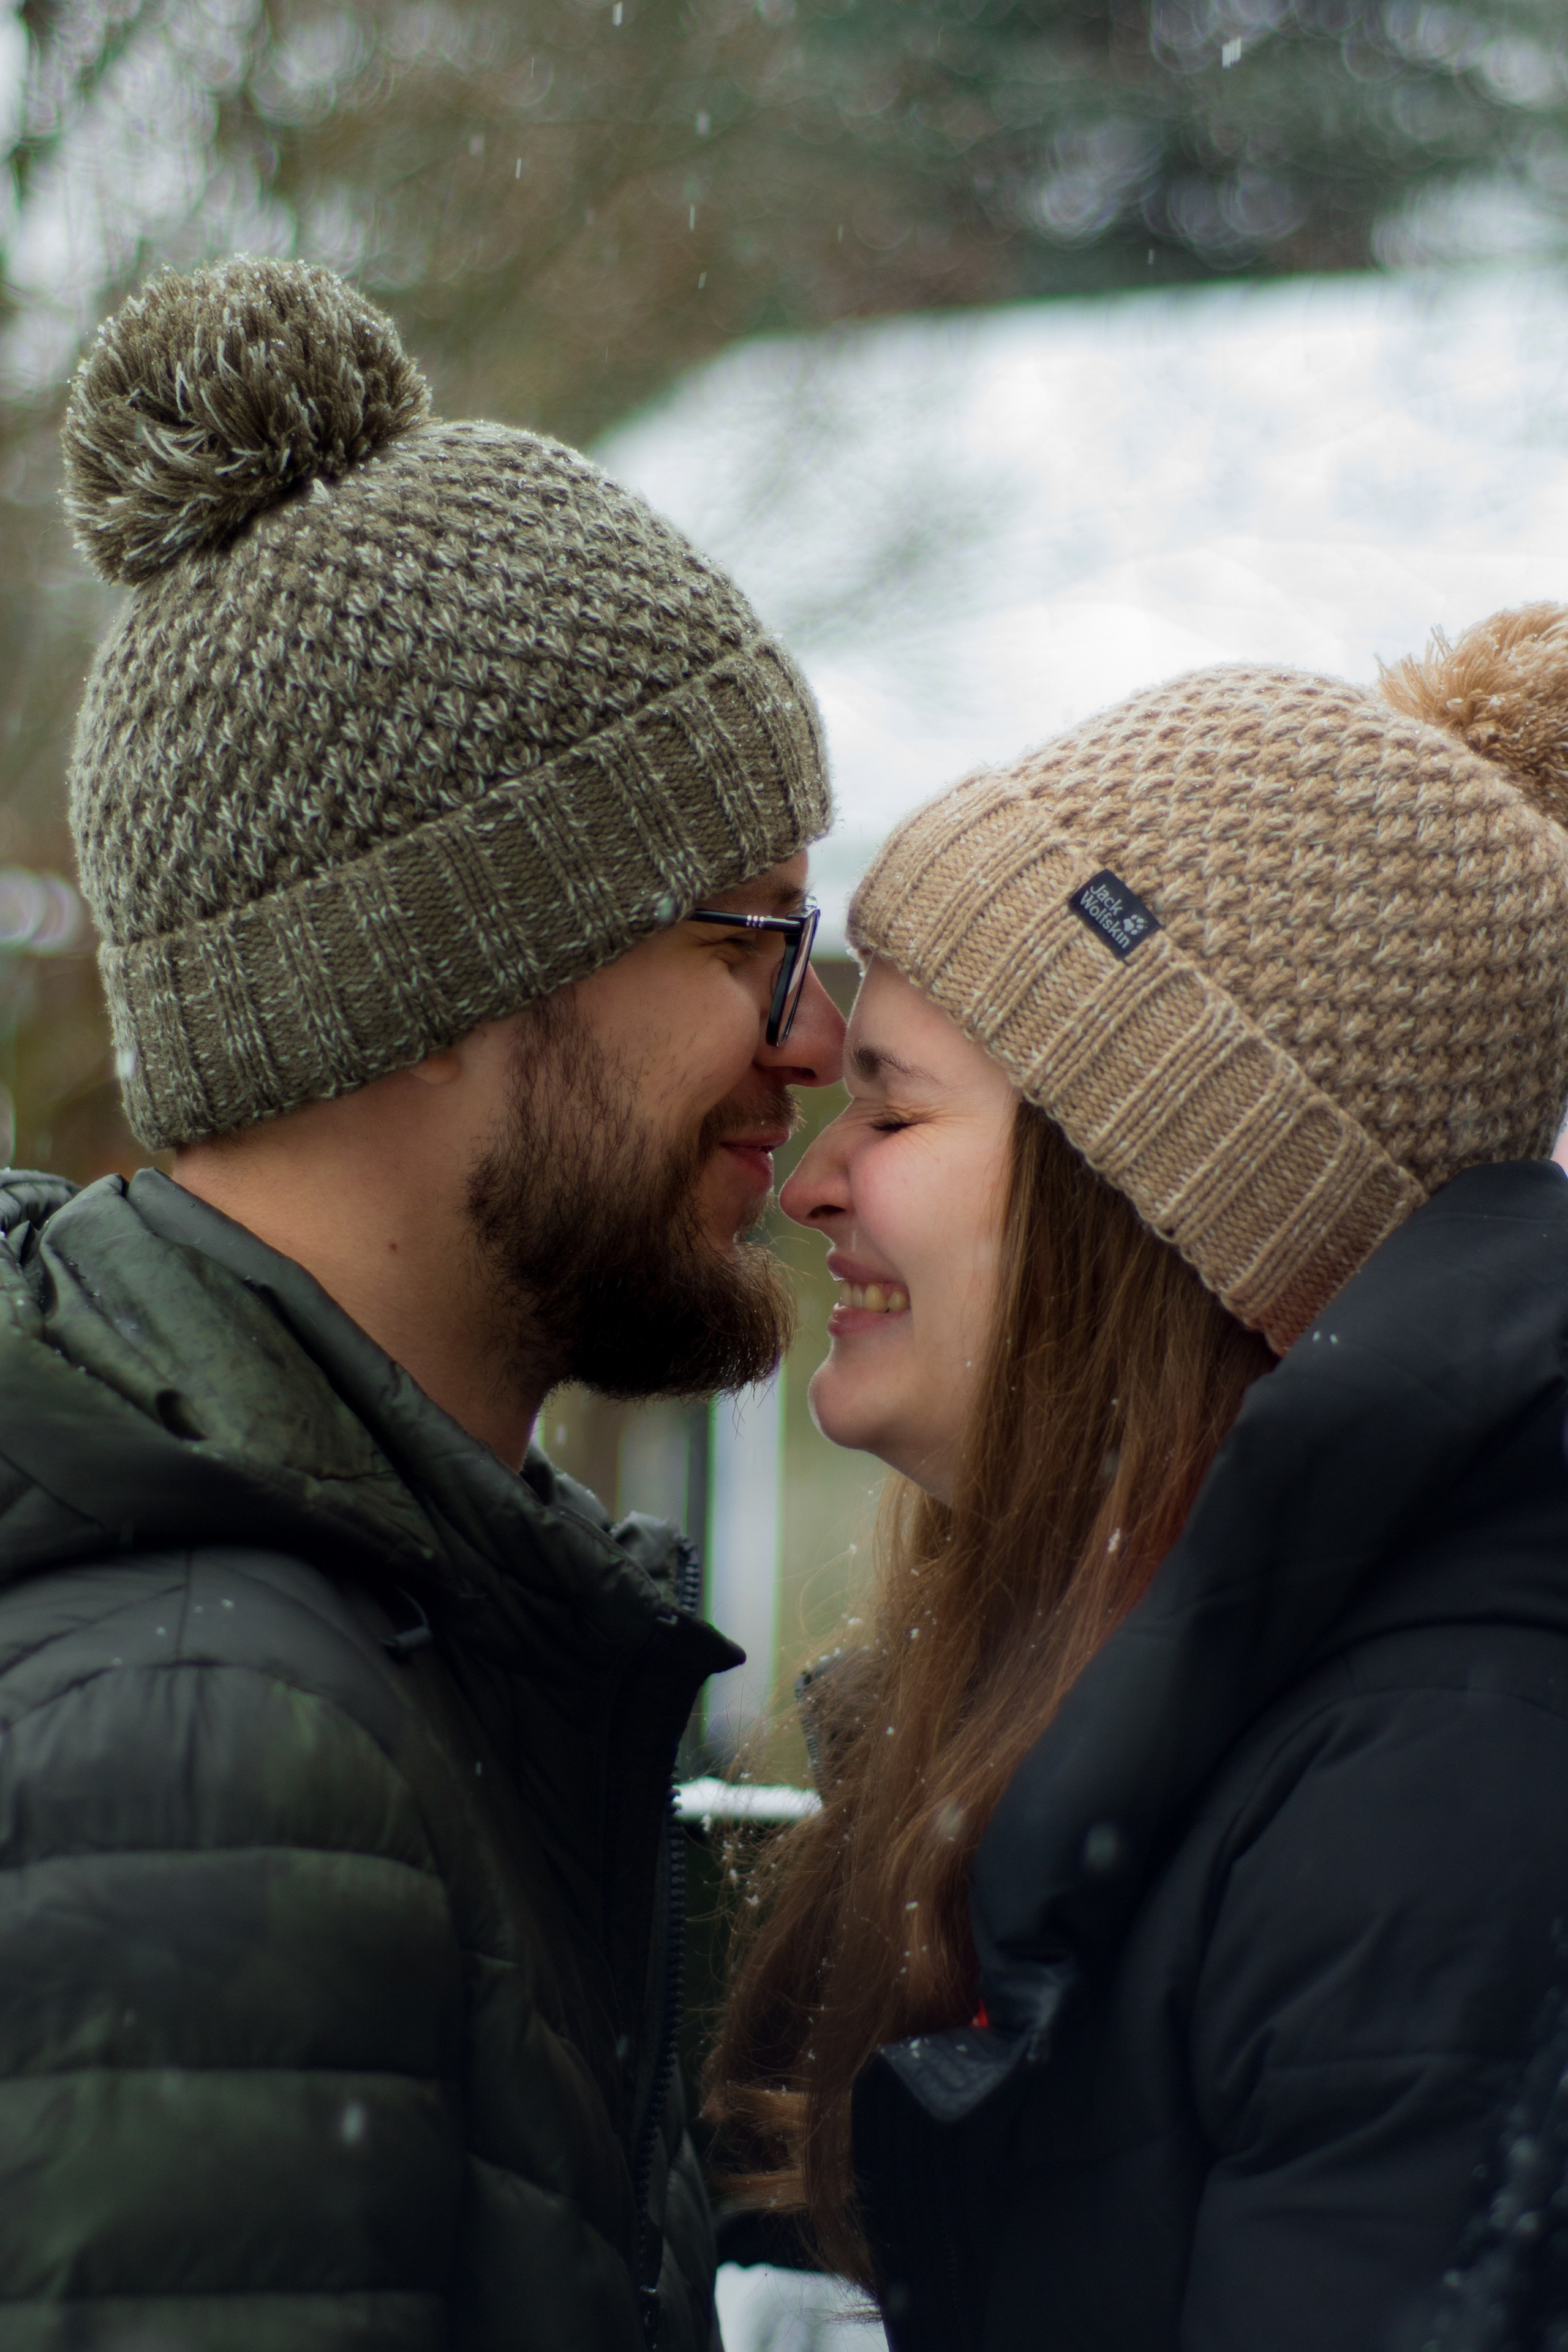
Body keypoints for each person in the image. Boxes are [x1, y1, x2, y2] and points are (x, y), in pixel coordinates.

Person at [0, 257, 843, 2348]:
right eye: (745, 936)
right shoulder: (211, 1743)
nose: (813, 1039)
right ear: (442, 977)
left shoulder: (378, 1621)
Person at [708, 606, 1568, 2352]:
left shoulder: (1440, 1805)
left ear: (1158, 1205)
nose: (811, 1185)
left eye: (894, 1110)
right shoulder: (1125, 1714)